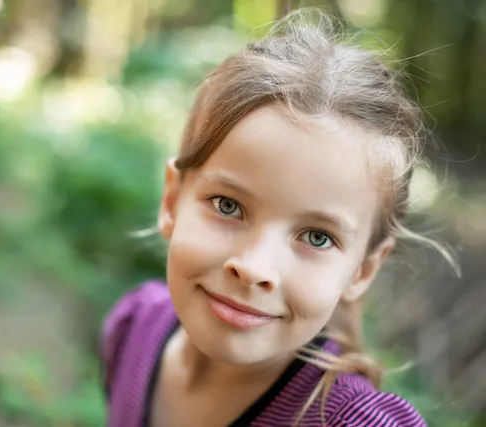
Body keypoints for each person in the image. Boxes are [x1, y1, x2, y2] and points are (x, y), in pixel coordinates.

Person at [100, 8, 456, 427]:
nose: (253, 268)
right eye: (227, 205)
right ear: (173, 200)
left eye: (318, 237)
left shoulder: (351, 422)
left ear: (362, 270)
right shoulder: (134, 329)